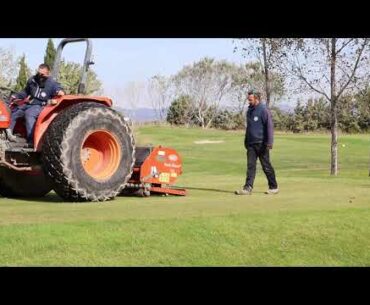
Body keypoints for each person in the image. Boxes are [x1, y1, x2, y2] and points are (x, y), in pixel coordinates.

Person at [235, 90, 278, 195]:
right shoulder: (249, 111)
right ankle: (247, 188)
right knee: (250, 166)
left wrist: (269, 142)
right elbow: (249, 128)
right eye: (248, 99)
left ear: (256, 99)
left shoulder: (263, 110)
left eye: (250, 99)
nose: (248, 101)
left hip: (262, 143)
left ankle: (273, 187)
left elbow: (269, 126)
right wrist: (246, 140)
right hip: (251, 144)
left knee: (266, 166)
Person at [9, 63, 65, 144]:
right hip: (29, 103)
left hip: (41, 105)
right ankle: (9, 133)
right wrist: (16, 96)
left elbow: (60, 91)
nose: (40, 75)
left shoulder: (52, 83)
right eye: (39, 73)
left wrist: (60, 92)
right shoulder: (32, 80)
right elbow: (25, 92)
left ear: (47, 73)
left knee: (29, 114)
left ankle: (31, 140)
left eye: (42, 74)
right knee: (15, 111)